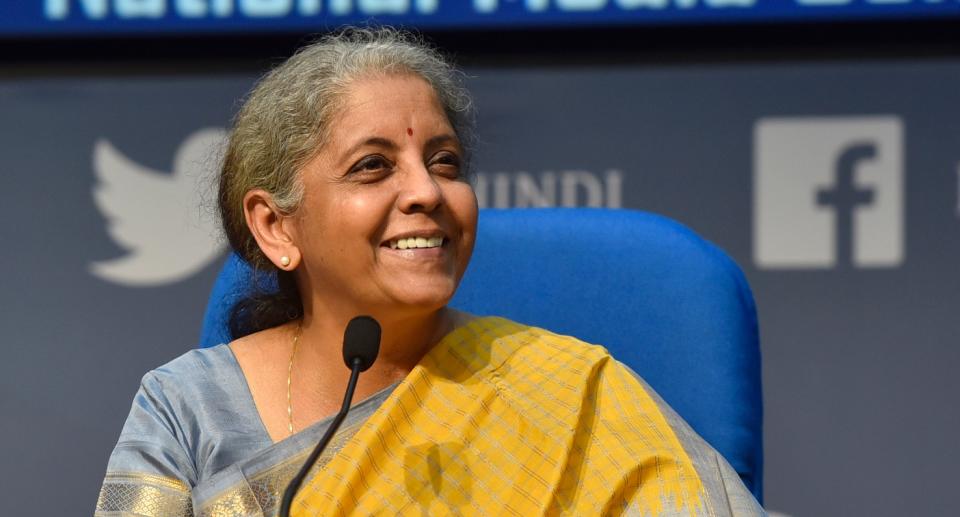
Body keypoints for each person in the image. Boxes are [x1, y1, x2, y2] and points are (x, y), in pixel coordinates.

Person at [95, 27, 764, 516]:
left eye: (444, 162)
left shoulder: (565, 392)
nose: (427, 191)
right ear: (276, 227)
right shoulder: (186, 409)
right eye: (373, 166)